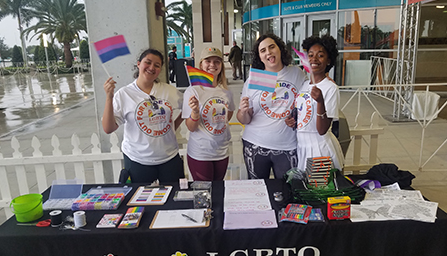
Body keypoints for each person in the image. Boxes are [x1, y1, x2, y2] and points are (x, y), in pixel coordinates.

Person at [102, 48, 185, 183]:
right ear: (139, 64)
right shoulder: (124, 94)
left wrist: (173, 126)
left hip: (169, 157)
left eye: (157, 65)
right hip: (137, 159)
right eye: (148, 62)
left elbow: (187, 108)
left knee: (173, 199)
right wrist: (109, 98)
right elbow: (108, 128)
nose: (152, 67)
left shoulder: (169, 91)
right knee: (137, 201)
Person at [237, 34, 307, 179]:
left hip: (287, 146)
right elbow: (244, 119)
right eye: (263, 51)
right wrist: (243, 111)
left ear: (280, 49)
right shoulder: (255, 79)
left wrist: (295, 117)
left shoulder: (296, 74)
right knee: (257, 191)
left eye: (271, 47)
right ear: (260, 57)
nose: (268, 52)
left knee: (287, 191)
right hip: (255, 143)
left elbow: (306, 102)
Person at [292, 35, 344, 171]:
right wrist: (291, 120)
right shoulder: (303, 85)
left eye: (320, 55)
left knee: (319, 190)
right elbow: (302, 115)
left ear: (328, 61)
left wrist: (320, 102)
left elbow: (322, 130)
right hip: (302, 146)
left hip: (319, 149)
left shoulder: (330, 88)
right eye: (310, 55)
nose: (314, 59)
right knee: (305, 190)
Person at [182, 47, 235, 181]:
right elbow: (191, 127)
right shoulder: (193, 91)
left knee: (218, 190)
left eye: (217, 61)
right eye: (208, 61)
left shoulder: (226, 92)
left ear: (221, 65)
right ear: (201, 64)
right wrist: (194, 112)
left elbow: (228, 115)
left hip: (222, 152)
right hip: (201, 153)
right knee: (204, 195)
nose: (212, 65)